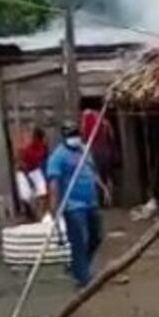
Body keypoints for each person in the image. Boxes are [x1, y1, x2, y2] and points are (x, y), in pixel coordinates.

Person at [45, 122, 102, 289]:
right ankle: (84, 278)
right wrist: (55, 209)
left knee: (96, 236)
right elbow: (54, 184)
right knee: (79, 240)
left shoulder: (84, 149)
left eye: (76, 134)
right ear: (64, 137)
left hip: (90, 201)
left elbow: (91, 170)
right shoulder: (58, 157)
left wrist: (102, 186)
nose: (74, 138)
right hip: (72, 205)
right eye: (71, 135)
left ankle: (77, 267)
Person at [15, 127, 49, 221]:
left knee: (42, 191)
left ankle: (41, 213)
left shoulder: (43, 147)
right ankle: (28, 214)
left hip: (35, 169)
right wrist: (29, 180)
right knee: (26, 195)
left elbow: (45, 160)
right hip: (23, 172)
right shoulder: (27, 149)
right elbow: (21, 163)